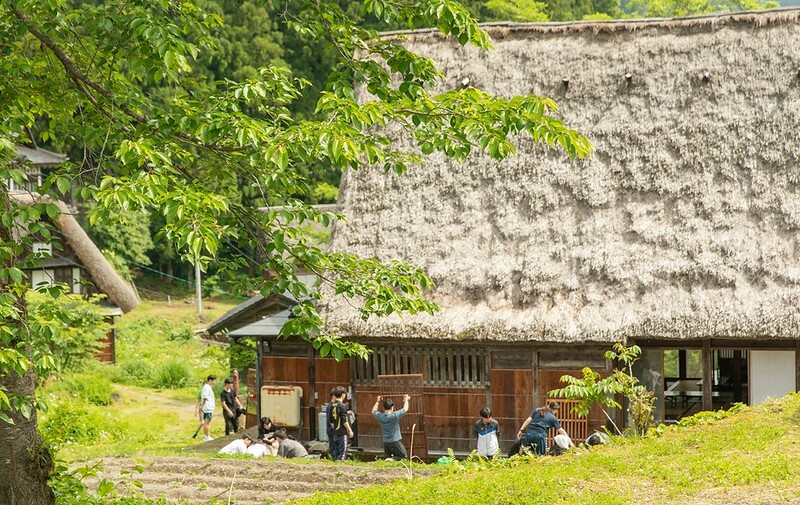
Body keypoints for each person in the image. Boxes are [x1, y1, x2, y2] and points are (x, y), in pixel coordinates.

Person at [371, 394, 409, 460]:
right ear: (392, 407)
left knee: (387, 457)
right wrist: (406, 400)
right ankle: (392, 460)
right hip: (395, 441)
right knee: (403, 456)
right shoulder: (394, 416)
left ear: (384, 407)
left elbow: (373, 411)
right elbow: (405, 409)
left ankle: (389, 461)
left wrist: (377, 401)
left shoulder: (381, 416)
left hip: (386, 441)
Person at [326, 386, 353, 461]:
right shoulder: (343, 406)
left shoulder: (332, 405)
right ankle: (340, 464)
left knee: (336, 450)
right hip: (342, 432)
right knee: (343, 451)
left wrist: (335, 427)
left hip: (335, 432)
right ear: (343, 394)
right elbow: (344, 420)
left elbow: (330, 420)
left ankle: (335, 462)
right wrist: (349, 430)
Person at [198, 375, 216, 441]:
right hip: (208, 407)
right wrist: (201, 406)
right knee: (207, 422)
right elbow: (205, 398)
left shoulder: (207, 387)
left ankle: (207, 436)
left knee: (208, 422)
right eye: (213, 381)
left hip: (208, 407)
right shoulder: (207, 387)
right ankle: (206, 436)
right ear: (210, 380)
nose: (214, 382)